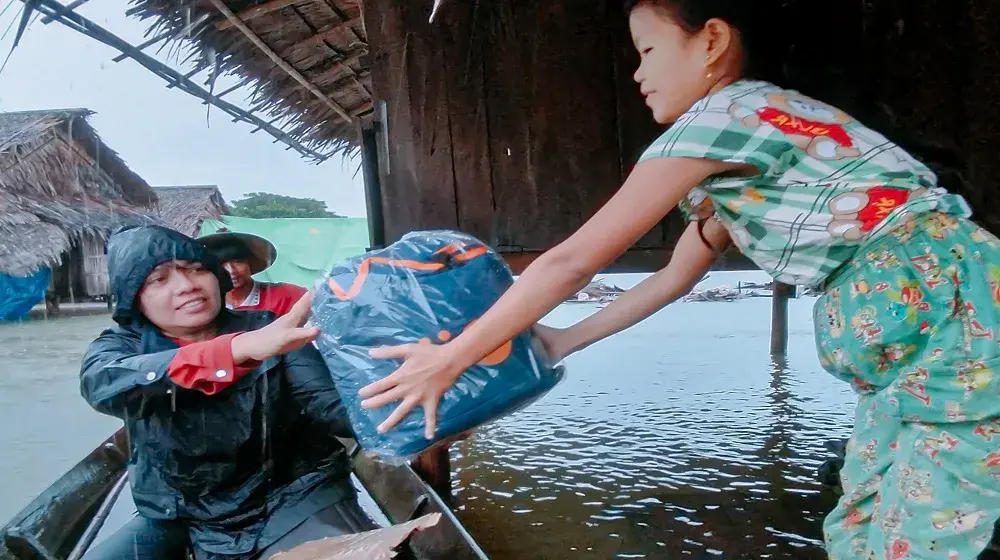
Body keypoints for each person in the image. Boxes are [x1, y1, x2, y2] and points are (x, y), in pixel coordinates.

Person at [354, 2, 1000, 559]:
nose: (636, 72)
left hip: (953, 319)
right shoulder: (758, 140)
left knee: (928, 526)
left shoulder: (727, 116)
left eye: (648, 49)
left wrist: (451, 357)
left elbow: (570, 262)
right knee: (865, 518)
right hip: (921, 339)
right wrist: (558, 343)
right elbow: (673, 278)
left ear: (712, 40)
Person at [80, 225, 378, 560]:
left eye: (196, 269)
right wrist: (236, 352)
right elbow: (103, 385)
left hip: (294, 495)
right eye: (159, 279)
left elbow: (330, 406)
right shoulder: (120, 347)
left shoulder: (269, 328)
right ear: (134, 296)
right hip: (181, 512)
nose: (187, 286)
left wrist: (394, 402)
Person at [199, 229, 308, 317]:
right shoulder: (204, 308)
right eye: (221, 264)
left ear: (250, 263)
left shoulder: (289, 295)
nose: (231, 271)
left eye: (238, 262)